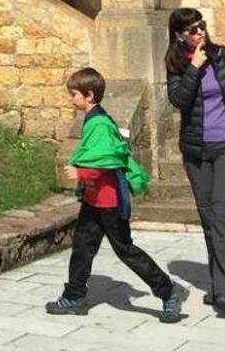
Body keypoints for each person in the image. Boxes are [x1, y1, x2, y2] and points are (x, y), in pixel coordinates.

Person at [44, 67, 186, 323]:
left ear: (89, 95)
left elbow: (106, 161)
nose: (70, 99)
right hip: (93, 199)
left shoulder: (98, 123)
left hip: (108, 200)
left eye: (73, 94)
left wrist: (81, 173)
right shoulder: (94, 119)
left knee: (125, 249)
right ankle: (75, 296)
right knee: (82, 247)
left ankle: (168, 291)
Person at [165, 9, 225, 319]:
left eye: (201, 26)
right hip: (196, 151)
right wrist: (193, 67)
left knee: (224, 214)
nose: (199, 32)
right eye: (191, 30)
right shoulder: (177, 64)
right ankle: (218, 284)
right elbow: (178, 100)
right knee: (208, 217)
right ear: (179, 36)